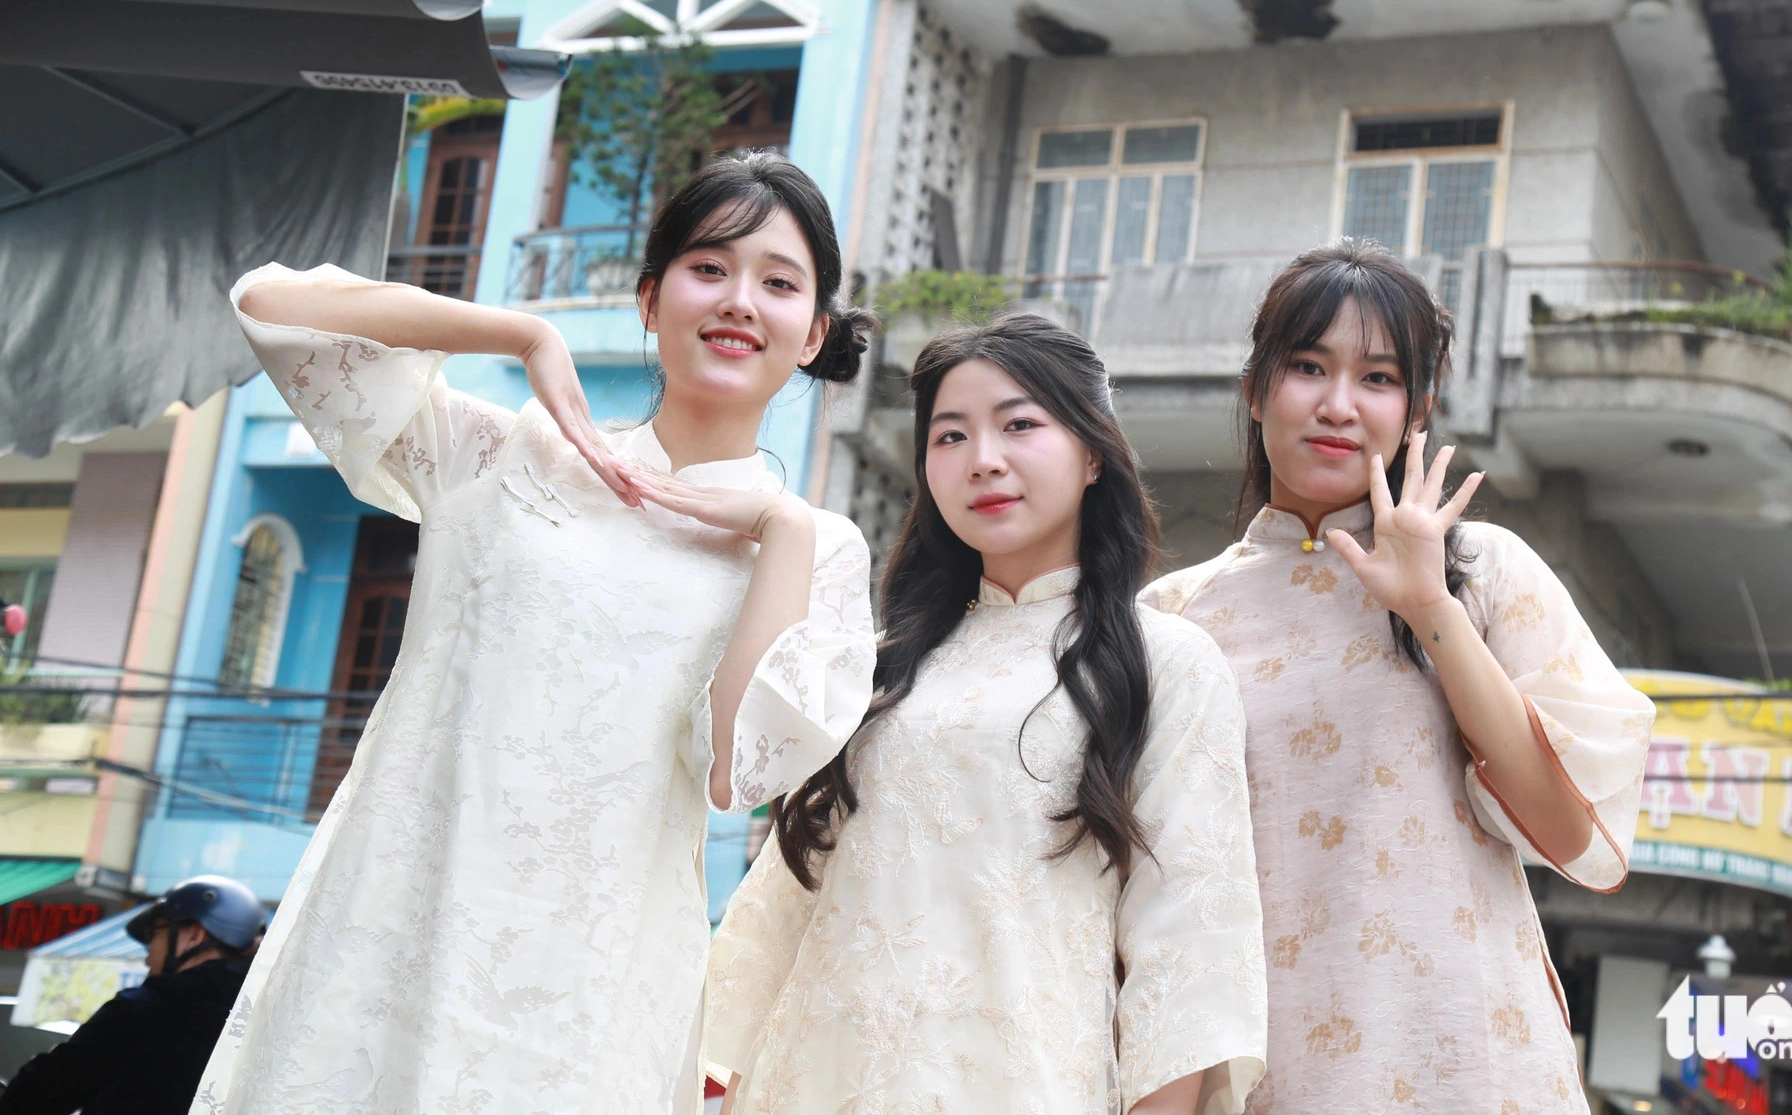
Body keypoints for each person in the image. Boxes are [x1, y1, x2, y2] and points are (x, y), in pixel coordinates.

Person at [195, 155, 879, 1114]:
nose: (738, 301)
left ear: (811, 335)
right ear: (650, 299)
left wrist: (780, 531)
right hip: (392, 935)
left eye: (777, 282)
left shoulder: (818, 552)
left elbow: (734, 768)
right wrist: (521, 331)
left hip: (588, 992)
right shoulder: (503, 455)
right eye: (708, 267)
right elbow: (272, 302)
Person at [704, 314, 1267, 1114]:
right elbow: (786, 903)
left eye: (1020, 425)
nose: (985, 460)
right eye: (951, 436)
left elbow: (1191, 943)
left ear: (1093, 451)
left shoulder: (1160, 659)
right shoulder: (881, 666)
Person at [1140, 242, 1655, 1113]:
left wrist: (1430, 608)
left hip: (1462, 1054)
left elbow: (1569, 830)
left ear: (1417, 410)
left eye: (1377, 378)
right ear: (1255, 390)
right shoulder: (1172, 617)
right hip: (1268, 1065)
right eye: (1308, 366)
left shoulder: (1482, 568)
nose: (1339, 404)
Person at [0, 876, 261, 1115]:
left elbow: (36, 1096)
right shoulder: (261, 1019)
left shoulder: (140, 1011)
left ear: (194, 935)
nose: (148, 953)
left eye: (154, 933)